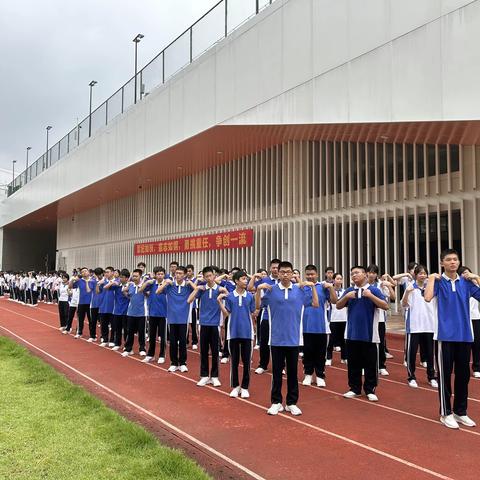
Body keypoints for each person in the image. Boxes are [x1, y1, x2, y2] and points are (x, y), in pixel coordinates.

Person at [424, 249, 480, 429]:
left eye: (455, 259)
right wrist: (432, 278)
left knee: (463, 377)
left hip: (465, 335)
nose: (453, 262)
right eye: (448, 260)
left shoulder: (466, 282)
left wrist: (476, 277)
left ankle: (460, 412)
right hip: (444, 336)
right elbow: (427, 297)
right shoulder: (439, 282)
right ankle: (445, 412)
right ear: (442, 263)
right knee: (445, 376)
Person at [256, 261, 319, 416]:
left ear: (292, 274)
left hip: (294, 339)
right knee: (276, 373)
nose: (285, 274)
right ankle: (276, 402)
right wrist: (258, 290)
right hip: (276, 339)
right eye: (282, 272)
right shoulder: (271, 290)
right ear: (278, 273)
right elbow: (257, 306)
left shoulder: (300, 291)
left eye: (288, 272)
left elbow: (316, 304)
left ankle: (291, 402)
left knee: (292, 373)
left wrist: (311, 287)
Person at [336, 265, 389, 402]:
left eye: (357, 273)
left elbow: (385, 306)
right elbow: (338, 305)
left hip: (370, 335)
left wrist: (370, 296)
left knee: (371, 364)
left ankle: (370, 389)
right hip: (352, 334)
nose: (354, 275)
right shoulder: (349, 291)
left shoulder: (374, 290)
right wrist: (346, 297)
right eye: (352, 273)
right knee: (353, 363)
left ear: (365, 275)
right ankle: (354, 388)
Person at [218, 270, 257, 398]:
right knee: (234, 361)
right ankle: (235, 386)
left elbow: (253, 312)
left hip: (247, 333)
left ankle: (245, 387)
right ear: (236, 281)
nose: (246, 281)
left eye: (246, 279)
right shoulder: (229, 297)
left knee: (246, 362)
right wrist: (219, 302)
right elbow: (227, 313)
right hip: (233, 332)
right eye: (243, 279)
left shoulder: (250, 296)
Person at [401, 264, 438, 389]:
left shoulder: (431, 287)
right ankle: (411, 377)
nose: (423, 275)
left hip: (429, 325)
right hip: (414, 326)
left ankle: (432, 377)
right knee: (412, 354)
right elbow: (404, 304)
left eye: (424, 273)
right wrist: (407, 292)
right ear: (415, 275)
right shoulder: (411, 287)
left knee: (429, 353)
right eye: (420, 273)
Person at [188, 266, 226, 387]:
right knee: (203, 351)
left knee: (215, 352)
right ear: (204, 277)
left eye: (211, 275)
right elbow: (189, 300)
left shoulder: (220, 289)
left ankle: (214, 376)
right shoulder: (202, 290)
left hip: (215, 325)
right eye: (207, 276)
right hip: (203, 324)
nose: (209, 278)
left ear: (215, 276)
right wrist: (197, 288)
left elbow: (229, 296)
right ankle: (204, 376)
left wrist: (224, 292)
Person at [301, 264, 337, 387]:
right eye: (308, 274)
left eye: (312, 274)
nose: (310, 276)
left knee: (321, 352)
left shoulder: (323, 287)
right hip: (305, 326)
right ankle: (308, 374)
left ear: (317, 274)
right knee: (308, 352)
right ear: (305, 275)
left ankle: (320, 375)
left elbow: (334, 301)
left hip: (321, 326)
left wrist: (331, 288)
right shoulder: (302, 287)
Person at [157, 266, 196, 372]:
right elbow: (158, 291)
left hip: (183, 319)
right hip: (172, 318)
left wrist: (190, 283)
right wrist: (165, 283)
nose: (177, 275)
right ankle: (174, 362)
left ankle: (183, 363)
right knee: (173, 342)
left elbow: (197, 290)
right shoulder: (170, 285)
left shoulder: (188, 287)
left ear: (184, 275)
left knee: (183, 342)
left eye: (180, 273)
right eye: (176, 273)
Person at [252, 258, 281, 375]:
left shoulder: (284, 281)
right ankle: (263, 364)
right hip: (266, 315)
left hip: (280, 317)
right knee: (264, 341)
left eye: (277, 268)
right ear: (270, 268)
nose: (275, 269)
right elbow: (251, 288)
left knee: (278, 342)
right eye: (273, 267)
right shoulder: (264, 280)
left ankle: (280, 365)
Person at [366, 264, 395, 376]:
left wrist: (389, 286)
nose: (372, 274)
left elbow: (393, 297)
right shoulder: (364, 285)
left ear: (377, 274)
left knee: (381, 343)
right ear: (367, 273)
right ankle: (366, 365)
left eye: (374, 273)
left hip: (380, 319)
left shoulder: (380, 285)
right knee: (367, 343)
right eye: (370, 272)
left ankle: (381, 366)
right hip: (367, 318)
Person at [140, 266, 168, 364]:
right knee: (152, 336)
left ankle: (161, 355)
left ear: (164, 275)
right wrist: (147, 282)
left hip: (163, 314)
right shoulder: (152, 284)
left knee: (163, 337)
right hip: (152, 313)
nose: (160, 276)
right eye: (158, 274)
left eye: (162, 274)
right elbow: (141, 290)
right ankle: (150, 355)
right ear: (155, 275)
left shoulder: (167, 284)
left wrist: (165, 284)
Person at [459, 266, 480, 378]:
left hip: (475, 318)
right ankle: (463, 367)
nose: (466, 275)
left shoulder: (475, 285)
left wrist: (476, 277)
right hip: (463, 319)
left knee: (477, 344)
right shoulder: (460, 286)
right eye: (463, 273)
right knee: (464, 345)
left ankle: (477, 367)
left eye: (467, 273)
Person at [121, 269, 147, 357]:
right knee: (130, 332)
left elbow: (148, 294)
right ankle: (128, 348)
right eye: (133, 276)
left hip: (141, 313)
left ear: (140, 276)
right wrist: (126, 292)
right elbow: (126, 293)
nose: (134, 278)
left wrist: (143, 288)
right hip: (130, 312)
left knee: (141, 332)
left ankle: (142, 348)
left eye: (136, 276)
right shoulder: (131, 285)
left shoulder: (144, 286)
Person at [326, 273, 347, 365]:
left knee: (344, 340)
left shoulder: (345, 291)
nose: (339, 280)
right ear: (333, 280)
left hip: (344, 318)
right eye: (337, 279)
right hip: (333, 318)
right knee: (331, 340)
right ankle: (329, 358)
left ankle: (344, 357)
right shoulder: (330, 291)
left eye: (340, 279)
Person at [69, 267, 95, 339]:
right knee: (80, 319)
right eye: (82, 272)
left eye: (85, 271)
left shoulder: (93, 281)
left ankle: (92, 335)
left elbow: (90, 291)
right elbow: (70, 286)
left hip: (90, 303)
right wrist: (72, 280)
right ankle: (79, 332)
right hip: (81, 302)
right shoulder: (79, 281)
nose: (84, 272)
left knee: (91, 320)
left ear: (88, 272)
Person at [110, 269, 130, 351]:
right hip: (117, 310)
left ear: (127, 278)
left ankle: (126, 344)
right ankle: (117, 343)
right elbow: (106, 288)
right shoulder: (117, 286)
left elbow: (130, 297)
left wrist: (125, 290)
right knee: (117, 328)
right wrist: (114, 283)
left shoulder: (130, 286)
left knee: (126, 329)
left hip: (126, 311)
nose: (120, 279)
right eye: (120, 277)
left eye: (122, 277)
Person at [98, 267, 116, 347]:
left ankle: (112, 339)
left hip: (113, 307)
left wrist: (110, 283)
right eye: (105, 272)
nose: (106, 273)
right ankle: (105, 339)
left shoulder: (117, 281)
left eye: (108, 272)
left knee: (113, 325)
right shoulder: (103, 281)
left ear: (112, 272)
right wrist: (98, 284)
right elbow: (98, 292)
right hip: (103, 306)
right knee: (104, 324)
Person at [88, 267, 104, 342]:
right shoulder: (93, 281)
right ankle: (92, 336)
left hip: (103, 304)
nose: (98, 276)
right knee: (93, 321)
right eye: (97, 275)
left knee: (102, 322)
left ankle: (103, 336)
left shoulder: (105, 281)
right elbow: (89, 290)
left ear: (102, 274)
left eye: (100, 275)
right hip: (94, 303)